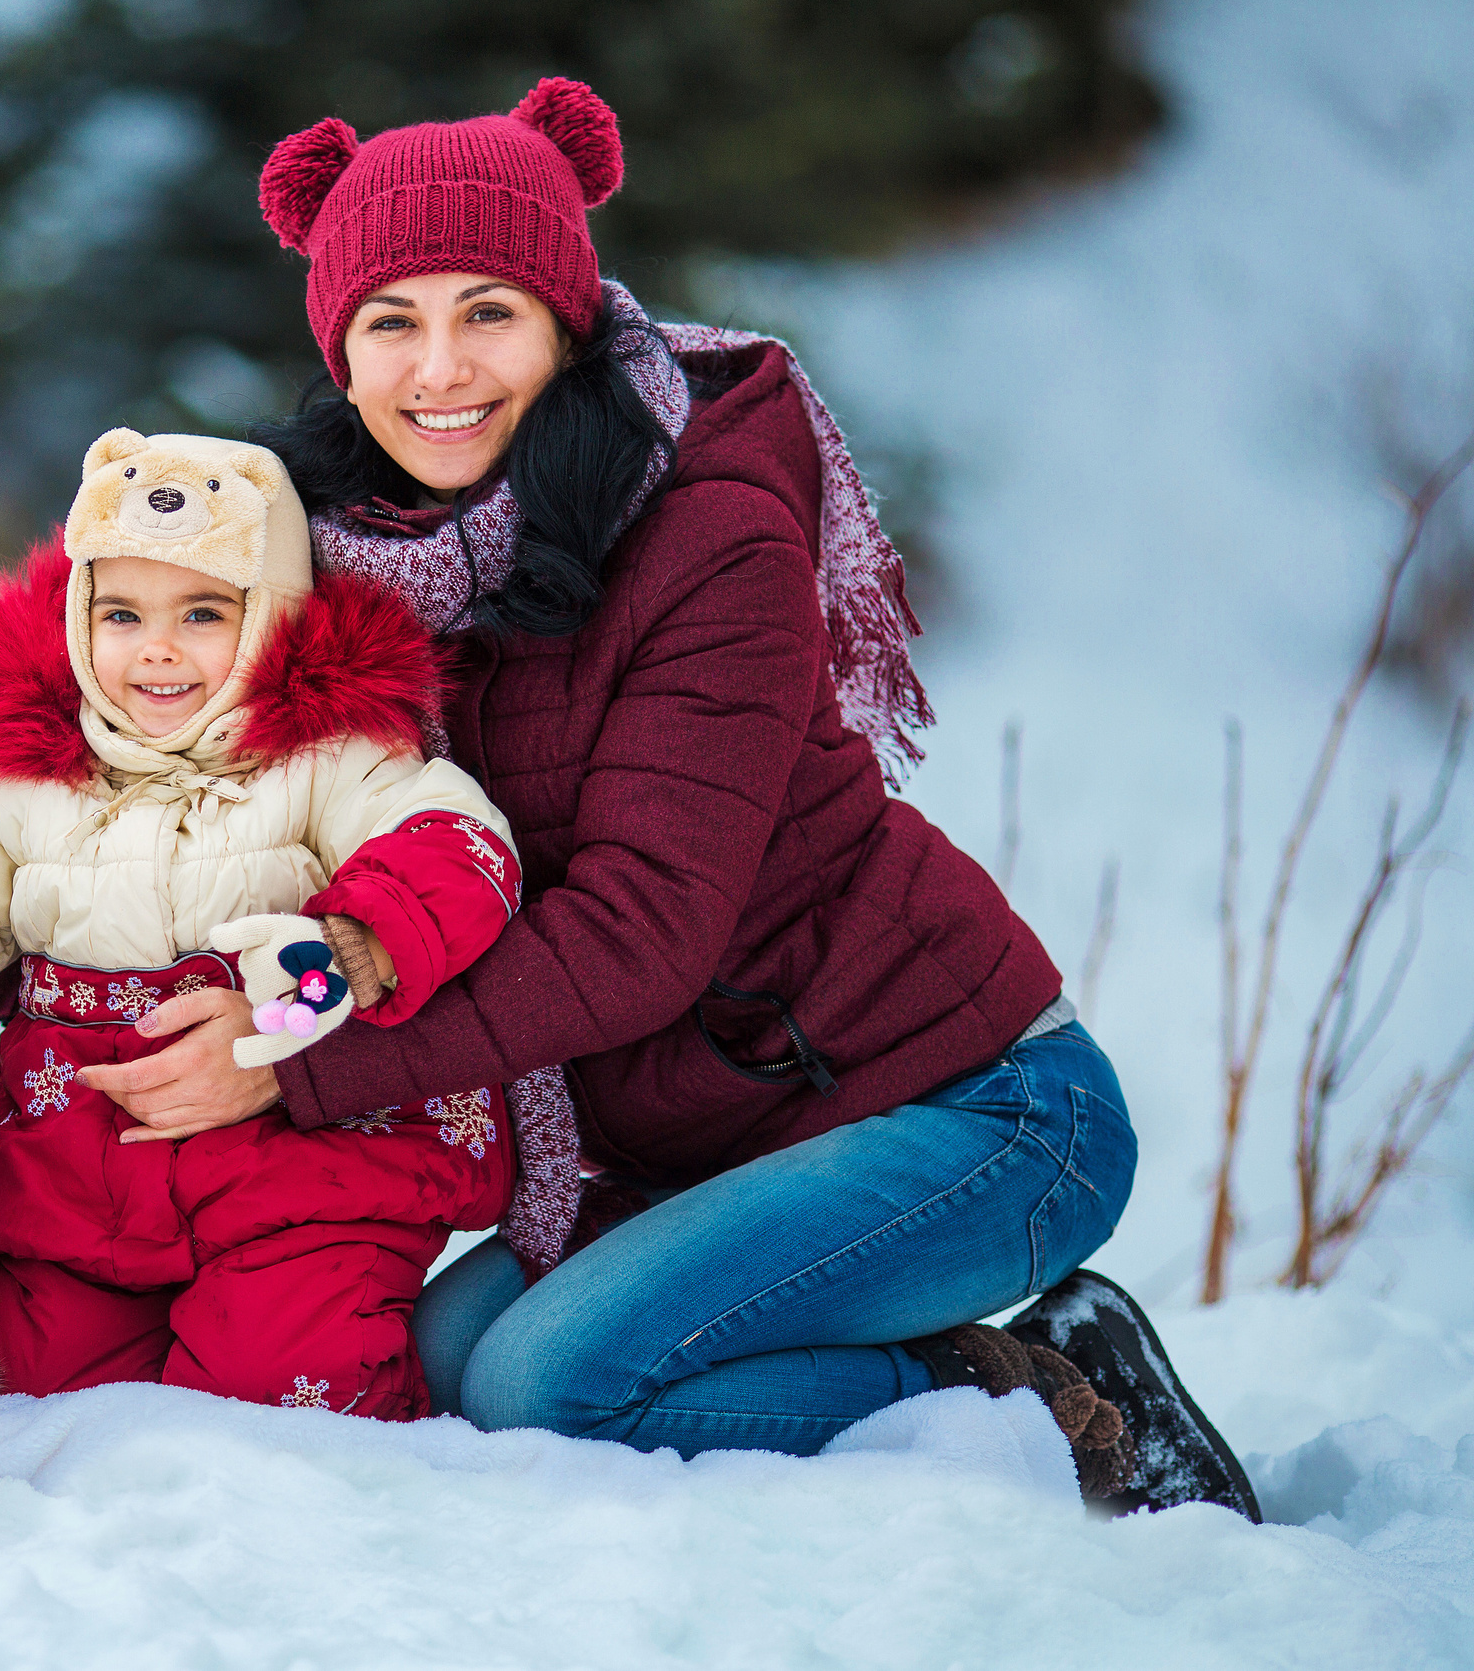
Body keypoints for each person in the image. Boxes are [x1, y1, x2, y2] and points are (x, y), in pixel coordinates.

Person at [72, 77, 1261, 1519]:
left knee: (548, 1385)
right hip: (714, 1127)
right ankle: (889, 1327)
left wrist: (293, 1057)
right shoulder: (356, 550)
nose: (440, 367)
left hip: (979, 1105)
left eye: (489, 311)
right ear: (339, 350)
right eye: (393, 320)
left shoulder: (710, 533)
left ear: (567, 321)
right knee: (443, 1360)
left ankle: (1046, 1381)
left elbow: (641, 930)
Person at [0, 425, 526, 1419]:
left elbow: (454, 844)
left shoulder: (333, 750)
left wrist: (344, 950)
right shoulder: (10, 773)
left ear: (271, 617)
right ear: (74, 614)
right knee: (15, 1371)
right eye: (120, 612)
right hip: (80, 1176)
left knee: (281, 1382)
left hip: (300, 1173)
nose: (154, 647)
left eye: (201, 612)